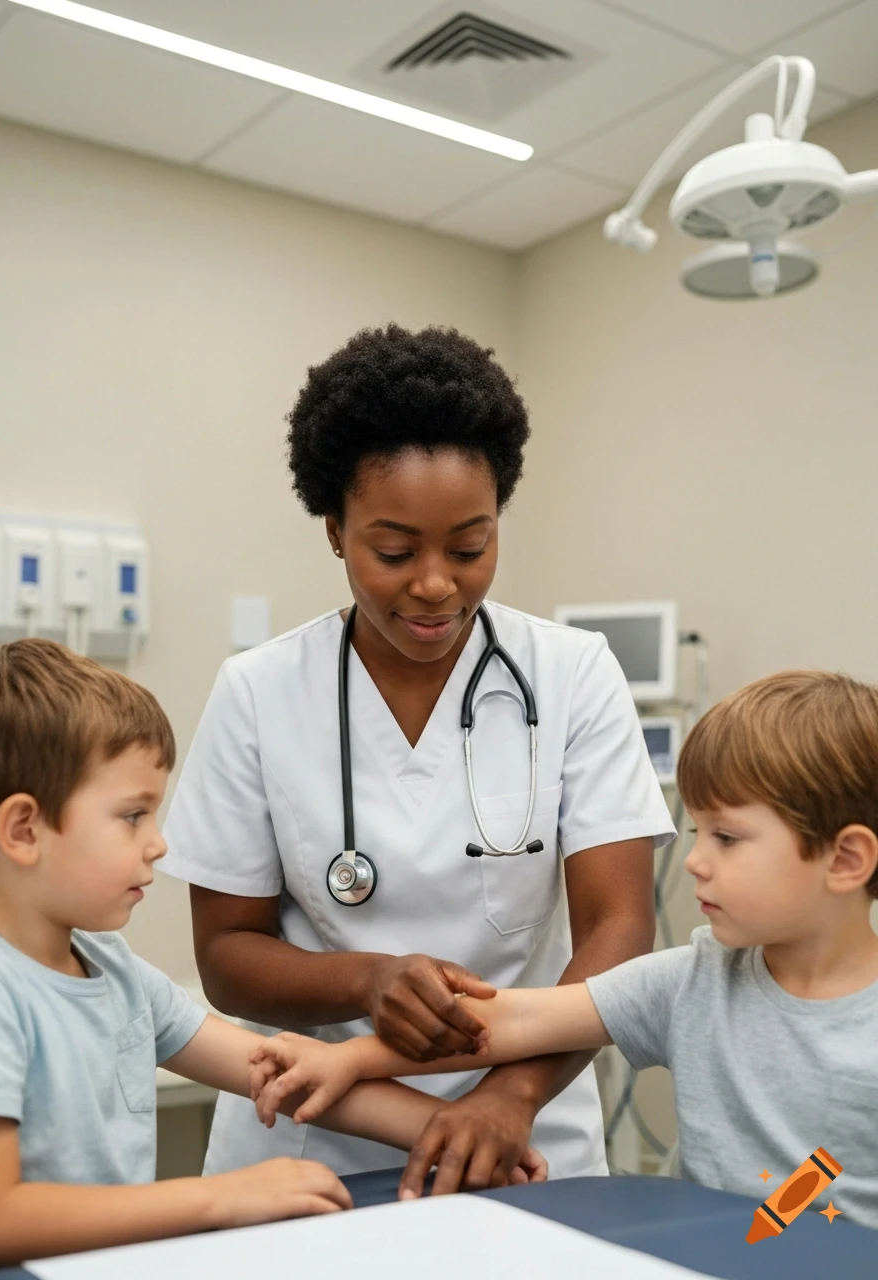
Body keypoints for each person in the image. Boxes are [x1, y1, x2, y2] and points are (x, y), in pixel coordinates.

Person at [160, 323, 675, 1192]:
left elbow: (619, 931)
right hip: (310, 1149)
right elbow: (226, 955)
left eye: (470, 547)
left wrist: (509, 1097)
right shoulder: (258, 691)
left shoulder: (572, 674)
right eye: (394, 551)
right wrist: (369, 979)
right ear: (335, 529)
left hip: (527, 1139)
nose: (436, 583)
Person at [250, 670, 878, 1228]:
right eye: (696, 832)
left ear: (846, 859)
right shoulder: (694, 980)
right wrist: (353, 1059)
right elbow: (509, 1023)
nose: (694, 862)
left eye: (729, 839)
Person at [0, 639, 526, 1267]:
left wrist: (453, 1132)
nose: (159, 845)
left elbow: (279, 1073)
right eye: (133, 817)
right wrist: (219, 1198)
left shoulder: (111, 968)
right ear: (23, 830)